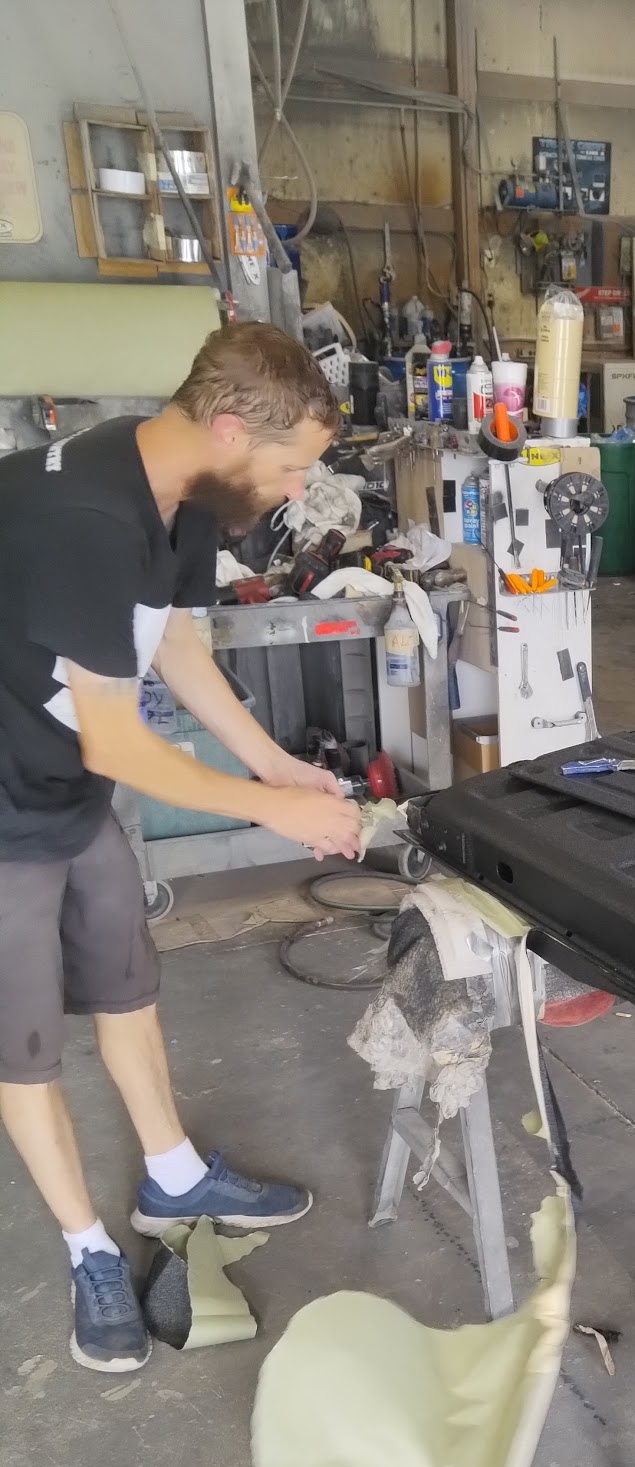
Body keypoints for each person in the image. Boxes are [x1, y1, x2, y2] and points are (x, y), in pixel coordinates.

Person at [0, 323, 363, 1373]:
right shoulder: (85, 518)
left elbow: (171, 639)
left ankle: (172, 1176)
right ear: (231, 428)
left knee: (126, 984)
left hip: (64, 784)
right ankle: (87, 1252)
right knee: (24, 1045)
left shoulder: (184, 488)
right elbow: (118, 739)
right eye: (291, 467)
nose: (296, 491)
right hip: (5, 804)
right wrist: (272, 814)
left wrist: (273, 765)